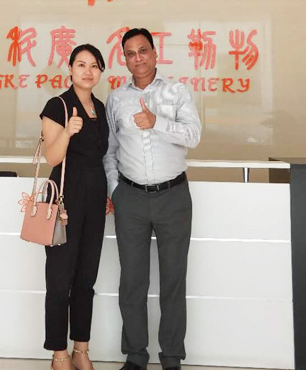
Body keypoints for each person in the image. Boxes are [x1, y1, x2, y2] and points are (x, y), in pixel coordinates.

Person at [104, 28, 202, 370]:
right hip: (130, 197)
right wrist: (114, 189)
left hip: (173, 196)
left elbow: (193, 135)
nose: (138, 58)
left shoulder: (177, 91)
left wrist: (156, 121)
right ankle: (135, 355)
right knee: (132, 280)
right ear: (125, 59)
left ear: (155, 52)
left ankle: (172, 356)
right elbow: (109, 149)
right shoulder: (117, 98)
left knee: (173, 279)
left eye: (143, 50)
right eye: (130, 53)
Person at [40, 44, 109, 370]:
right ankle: (59, 354)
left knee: (86, 277)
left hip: (94, 200)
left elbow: (102, 156)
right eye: (81, 64)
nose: (87, 71)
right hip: (64, 201)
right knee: (59, 279)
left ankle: (81, 349)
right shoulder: (58, 105)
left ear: (100, 72)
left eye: (94, 65)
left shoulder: (100, 108)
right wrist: (68, 132)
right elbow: (52, 158)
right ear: (70, 69)